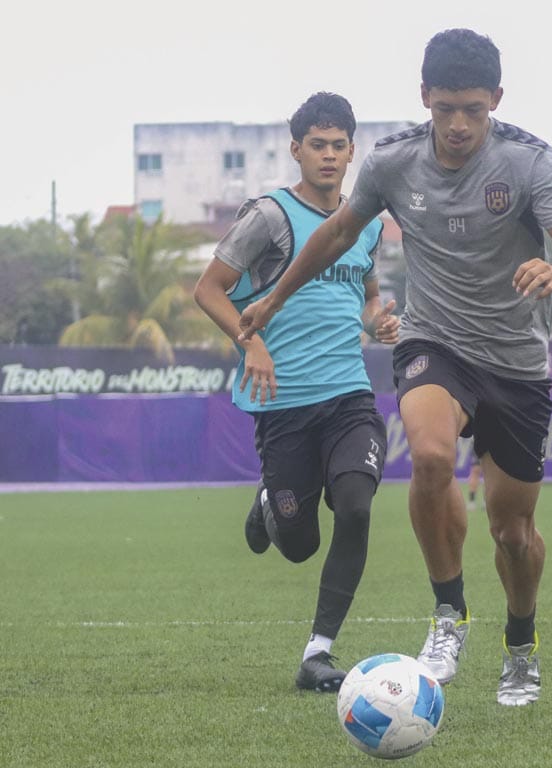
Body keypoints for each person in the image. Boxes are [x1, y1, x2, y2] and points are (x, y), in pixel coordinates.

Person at [237, 29, 552, 706]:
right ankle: (447, 614)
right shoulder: (393, 162)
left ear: (495, 99)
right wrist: (274, 296)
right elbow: (340, 232)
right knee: (430, 457)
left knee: (512, 531)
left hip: (517, 361)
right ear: (424, 100)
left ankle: (520, 646)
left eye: (473, 108)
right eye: (445, 109)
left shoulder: (529, 162)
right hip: (433, 338)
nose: (459, 124)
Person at [193, 92, 399, 693]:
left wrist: (378, 322)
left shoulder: (364, 224)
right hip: (283, 404)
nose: (329, 156)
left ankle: (318, 652)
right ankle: (268, 505)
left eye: (339, 146)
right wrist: (249, 342)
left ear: (353, 151)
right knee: (300, 545)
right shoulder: (270, 216)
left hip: (349, 395)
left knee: (357, 508)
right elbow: (208, 290)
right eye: (318, 145)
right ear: (296, 150)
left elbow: (364, 298)